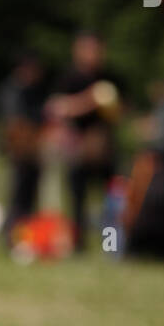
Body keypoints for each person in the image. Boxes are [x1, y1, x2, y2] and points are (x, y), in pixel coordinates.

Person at [47, 31, 122, 252]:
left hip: (105, 147)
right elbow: (56, 108)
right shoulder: (68, 78)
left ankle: (113, 246)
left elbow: (123, 110)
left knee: (113, 198)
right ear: (78, 51)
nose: (94, 54)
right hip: (78, 147)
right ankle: (78, 246)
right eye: (88, 49)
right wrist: (90, 100)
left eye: (97, 49)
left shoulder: (110, 77)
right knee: (78, 200)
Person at [0, 50, 47, 241]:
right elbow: (13, 124)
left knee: (30, 195)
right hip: (19, 151)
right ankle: (12, 234)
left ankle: (26, 233)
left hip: (34, 152)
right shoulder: (11, 90)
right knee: (17, 194)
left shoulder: (35, 90)